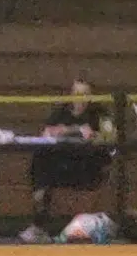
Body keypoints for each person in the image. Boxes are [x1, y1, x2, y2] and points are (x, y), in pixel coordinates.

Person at [30, 77, 113, 234]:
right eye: (77, 93)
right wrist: (74, 129)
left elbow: (111, 137)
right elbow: (47, 133)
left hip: (88, 166)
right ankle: (39, 217)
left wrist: (95, 135)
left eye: (85, 94)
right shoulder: (61, 111)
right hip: (62, 164)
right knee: (40, 157)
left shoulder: (100, 113)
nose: (80, 98)